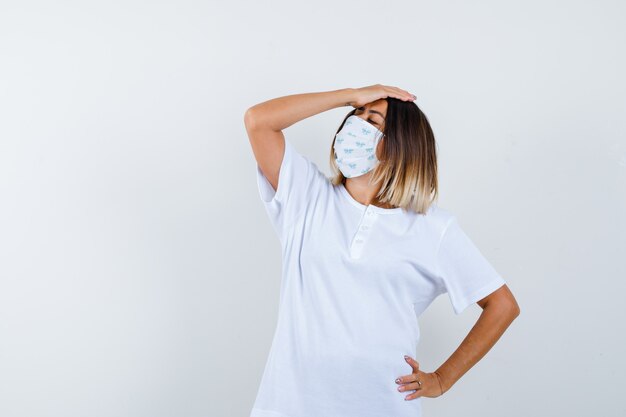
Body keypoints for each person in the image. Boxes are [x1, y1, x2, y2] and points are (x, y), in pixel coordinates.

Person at [243, 85, 520, 417]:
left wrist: (442, 380)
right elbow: (258, 120)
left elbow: (502, 305)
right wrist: (353, 95)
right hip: (289, 405)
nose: (355, 123)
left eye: (371, 120)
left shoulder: (432, 228)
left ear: (400, 144)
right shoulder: (306, 196)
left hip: (382, 406)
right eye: (355, 115)